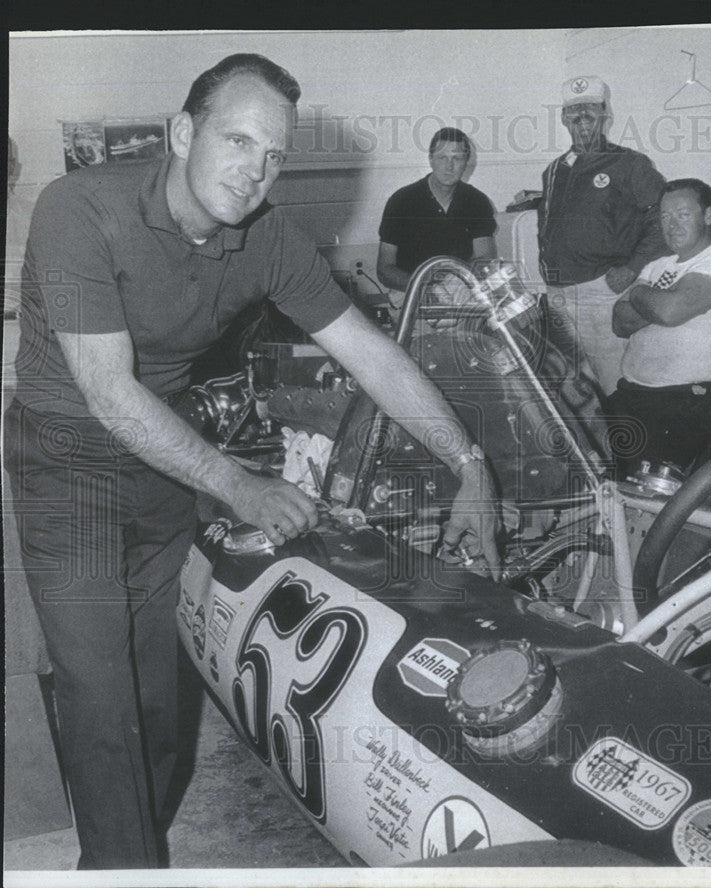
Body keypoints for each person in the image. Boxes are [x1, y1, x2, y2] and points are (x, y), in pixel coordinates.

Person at [4, 54, 499, 869]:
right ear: (181, 132)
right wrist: (238, 482)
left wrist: (469, 465)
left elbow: (371, 355)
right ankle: (121, 868)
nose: (255, 171)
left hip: (167, 456)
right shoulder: (78, 208)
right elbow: (108, 391)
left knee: (158, 692)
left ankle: (135, 835)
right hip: (67, 460)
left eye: (273, 155)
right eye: (237, 142)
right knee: (99, 693)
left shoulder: (268, 237)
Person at [537, 75, 667, 397]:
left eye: (590, 112)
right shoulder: (554, 170)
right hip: (558, 295)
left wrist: (632, 268)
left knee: (616, 387)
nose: (582, 121)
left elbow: (662, 220)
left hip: (601, 292)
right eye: (574, 113)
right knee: (575, 391)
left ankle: (627, 447)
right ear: (563, 118)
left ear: (605, 114)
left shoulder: (630, 164)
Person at [608, 179, 711, 473]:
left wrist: (637, 293)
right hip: (632, 396)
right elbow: (620, 321)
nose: (672, 224)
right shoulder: (658, 265)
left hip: (682, 403)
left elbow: (670, 311)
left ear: (708, 216)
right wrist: (656, 301)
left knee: (648, 498)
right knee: (596, 474)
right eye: (665, 216)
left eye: (683, 214)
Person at [376, 126, 497, 295]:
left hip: (461, 291)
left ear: (466, 162)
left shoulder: (477, 201)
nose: (449, 166)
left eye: (457, 159)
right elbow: (384, 270)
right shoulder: (401, 201)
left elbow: (485, 260)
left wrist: (456, 285)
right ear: (430, 160)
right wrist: (428, 289)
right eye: (442, 158)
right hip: (410, 292)